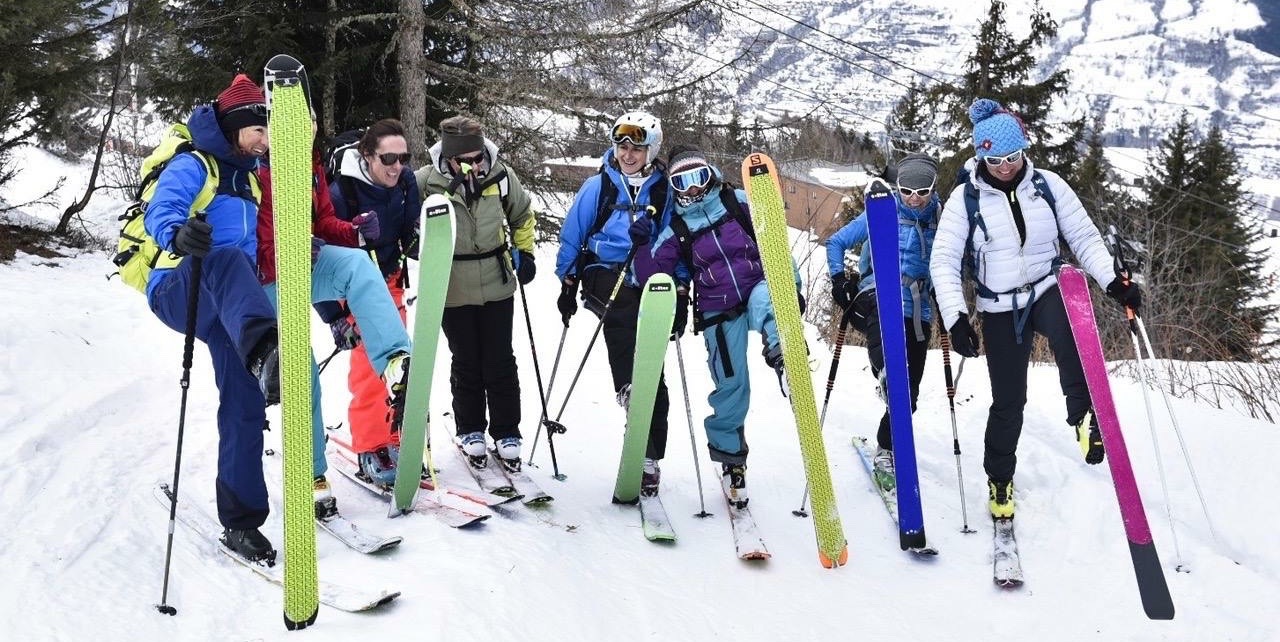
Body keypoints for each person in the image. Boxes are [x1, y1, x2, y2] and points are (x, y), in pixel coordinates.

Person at [928, 98, 1142, 520]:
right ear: (981, 156)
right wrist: (956, 318)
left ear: (1025, 149)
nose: (1005, 167)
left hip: (1045, 287)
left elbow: (1083, 235)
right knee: (1009, 401)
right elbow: (944, 261)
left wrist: (1114, 283)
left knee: (1071, 333)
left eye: (1013, 157)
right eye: (995, 160)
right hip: (998, 305)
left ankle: (1082, 417)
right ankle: (1000, 478)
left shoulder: (1048, 185)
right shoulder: (964, 200)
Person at [142, 74, 279, 561]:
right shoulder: (195, 163)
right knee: (223, 258)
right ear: (235, 128)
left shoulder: (250, 179)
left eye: (269, 131)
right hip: (178, 286)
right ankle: (268, 352)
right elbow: (163, 208)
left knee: (243, 405)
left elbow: (255, 248)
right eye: (258, 131)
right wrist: (177, 234)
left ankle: (241, 522)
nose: (265, 140)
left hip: (228, 306)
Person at [256, 109, 413, 509]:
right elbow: (242, 232)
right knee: (301, 375)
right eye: (297, 125)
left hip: (305, 263)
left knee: (358, 264)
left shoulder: (309, 164)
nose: (305, 132)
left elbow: (323, 220)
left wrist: (353, 232)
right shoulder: (255, 167)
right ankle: (310, 475)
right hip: (264, 279)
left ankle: (395, 361)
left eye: (309, 126)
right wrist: (283, 249)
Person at [632, 145, 803, 508]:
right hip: (716, 308)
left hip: (757, 285)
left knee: (767, 303)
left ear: (709, 174)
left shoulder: (738, 203)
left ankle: (786, 356)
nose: (692, 189)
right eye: (683, 181)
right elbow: (648, 276)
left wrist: (793, 289)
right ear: (675, 186)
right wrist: (643, 244)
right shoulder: (676, 227)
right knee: (731, 386)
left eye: (698, 177)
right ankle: (732, 463)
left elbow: (775, 247)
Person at [554, 111, 674, 494]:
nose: (627, 154)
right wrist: (567, 278)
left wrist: (680, 284)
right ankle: (628, 387)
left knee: (653, 360)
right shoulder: (600, 186)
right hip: (604, 267)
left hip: (649, 269)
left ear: (650, 150)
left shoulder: (663, 189)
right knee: (621, 310)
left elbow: (675, 236)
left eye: (636, 147)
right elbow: (573, 231)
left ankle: (650, 457)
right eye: (622, 146)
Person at [415, 115, 537, 470]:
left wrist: (525, 252)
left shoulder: (501, 176)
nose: (474, 164)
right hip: (451, 284)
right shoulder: (427, 182)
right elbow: (409, 221)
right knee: (466, 359)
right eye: (465, 158)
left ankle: (507, 431)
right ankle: (470, 428)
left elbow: (522, 215)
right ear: (449, 157)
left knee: (500, 358)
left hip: (497, 280)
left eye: (478, 155)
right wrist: (415, 245)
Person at [824, 153, 941, 490]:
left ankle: (887, 447)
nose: (914, 198)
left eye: (922, 192)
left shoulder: (943, 219)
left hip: (917, 310)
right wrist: (839, 279)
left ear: (934, 189)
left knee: (909, 395)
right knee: (892, 352)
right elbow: (837, 241)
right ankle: (887, 372)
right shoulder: (882, 210)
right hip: (874, 293)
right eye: (906, 190)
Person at [327, 119, 421, 484]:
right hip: (353, 284)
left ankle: (397, 439)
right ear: (367, 156)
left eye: (404, 157)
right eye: (389, 158)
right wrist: (337, 315)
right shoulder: (342, 192)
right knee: (369, 368)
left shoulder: (405, 183)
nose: (397, 165)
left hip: (391, 278)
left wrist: (415, 238)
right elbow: (324, 253)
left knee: (399, 363)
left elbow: (409, 227)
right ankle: (370, 447)